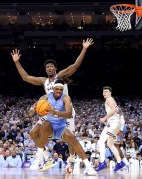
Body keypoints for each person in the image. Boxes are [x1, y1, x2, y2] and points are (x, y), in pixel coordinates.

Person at [11, 38, 94, 171]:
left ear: (55, 68)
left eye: (51, 66)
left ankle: (72, 158)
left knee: (71, 140)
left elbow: (74, 66)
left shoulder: (60, 76)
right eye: (47, 67)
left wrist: (84, 48)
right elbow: (25, 77)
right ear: (45, 70)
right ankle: (46, 157)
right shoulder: (43, 81)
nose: (49, 68)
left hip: (64, 112)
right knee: (33, 133)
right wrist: (17, 62)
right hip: (49, 112)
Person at [36, 79, 97, 175]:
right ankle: (39, 159)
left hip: (61, 125)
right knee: (45, 124)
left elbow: (69, 114)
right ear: (53, 88)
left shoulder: (66, 98)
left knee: (74, 141)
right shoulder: (46, 97)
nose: (59, 91)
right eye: (57, 89)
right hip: (50, 126)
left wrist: (55, 112)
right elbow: (38, 111)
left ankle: (88, 166)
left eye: (61, 89)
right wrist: (39, 111)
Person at [95, 86, 126, 172]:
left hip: (113, 124)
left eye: (106, 91)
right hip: (114, 124)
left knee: (101, 142)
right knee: (110, 144)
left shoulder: (109, 99)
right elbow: (119, 112)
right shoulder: (113, 100)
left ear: (110, 93)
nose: (104, 93)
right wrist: (120, 126)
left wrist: (104, 118)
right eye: (103, 92)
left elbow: (114, 110)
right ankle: (120, 162)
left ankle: (102, 162)